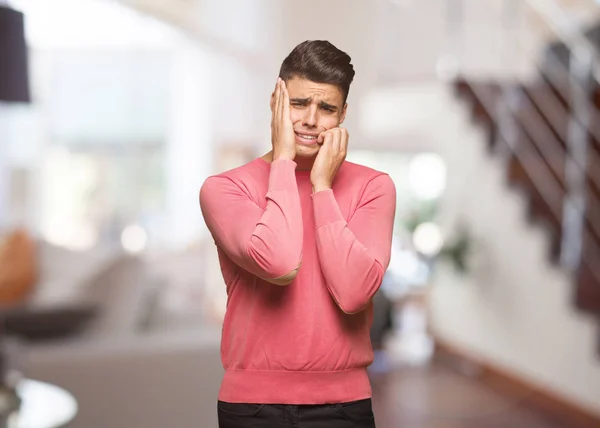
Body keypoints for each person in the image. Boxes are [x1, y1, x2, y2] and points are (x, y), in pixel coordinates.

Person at [199, 40, 396, 428]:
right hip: (251, 406)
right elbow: (280, 261)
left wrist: (322, 187)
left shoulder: (374, 187)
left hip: (343, 405)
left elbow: (355, 293)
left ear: (343, 115)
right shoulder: (224, 189)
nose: (310, 119)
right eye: (298, 103)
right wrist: (284, 162)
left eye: (326, 108)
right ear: (276, 101)